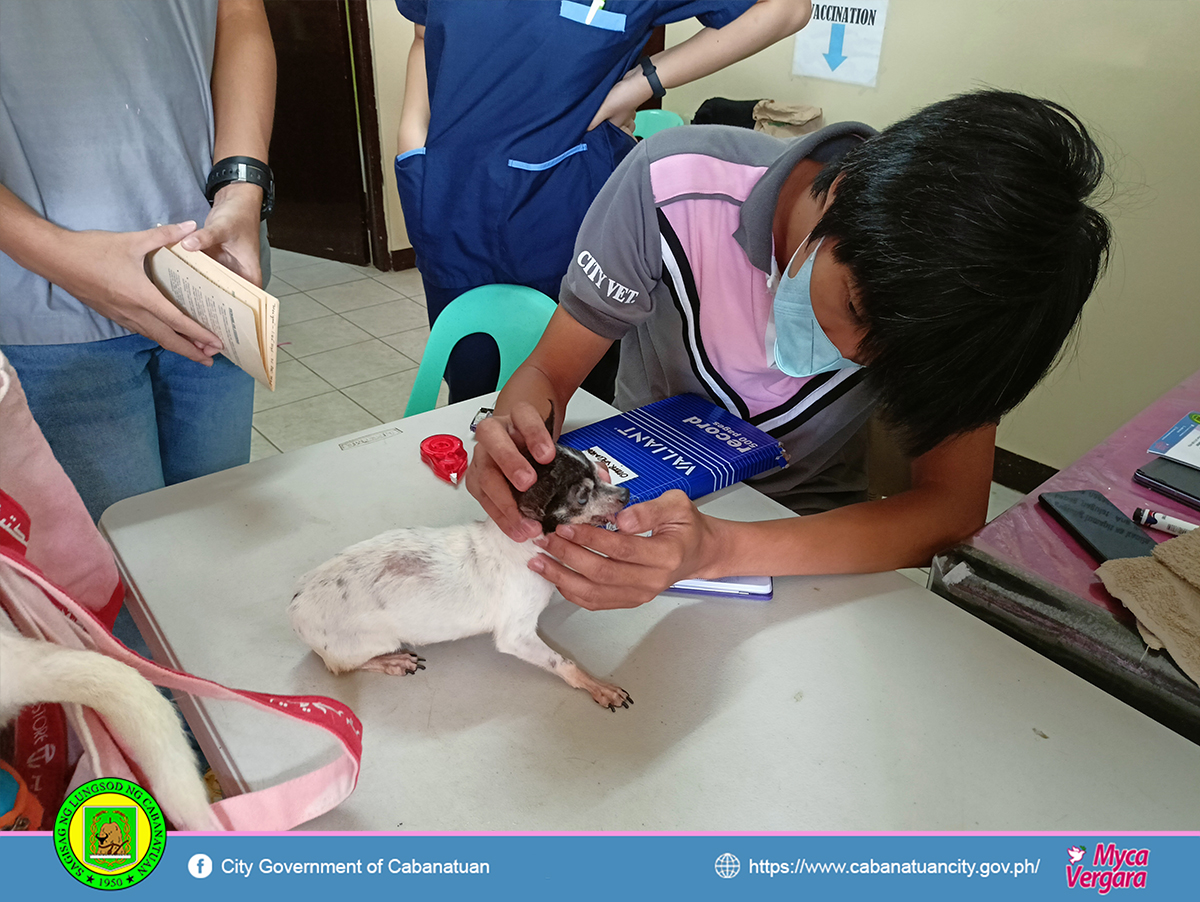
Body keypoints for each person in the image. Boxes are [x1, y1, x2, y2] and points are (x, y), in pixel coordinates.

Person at [467, 90, 1112, 610]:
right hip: (627, 498)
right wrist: (519, 442)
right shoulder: (670, 185)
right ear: (841, 192)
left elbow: (952, 507)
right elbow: (550, 371)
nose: (856, 355)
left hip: (805, 542)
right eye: (855, 308)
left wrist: (720, 550)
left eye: (892, 357)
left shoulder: (976, 306)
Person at [393, 0, 813, 404]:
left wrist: (638, 86)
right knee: (471, 391)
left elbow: (786, 8)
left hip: (568, 205)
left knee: (573, 400)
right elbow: (423, 33)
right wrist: (411, 143)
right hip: (450, 200)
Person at [0, 0, 276, 522]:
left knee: (218, 535)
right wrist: (52, 252)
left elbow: (238, 12)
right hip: (42, 301)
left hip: (211, 271)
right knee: (117, 578)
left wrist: (242, 185)